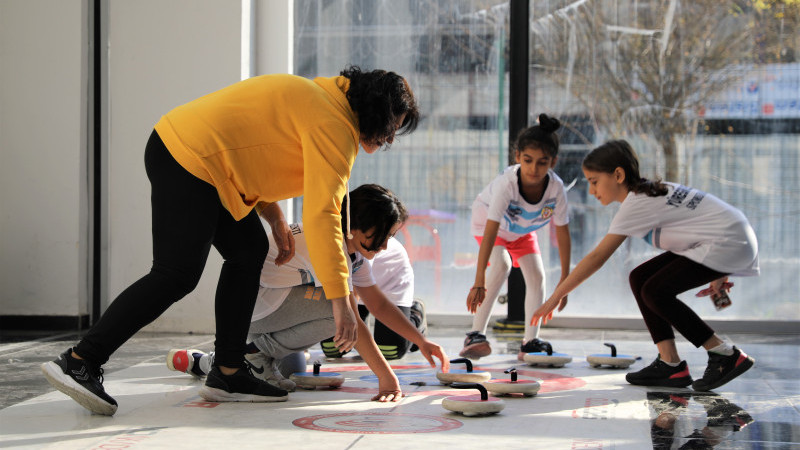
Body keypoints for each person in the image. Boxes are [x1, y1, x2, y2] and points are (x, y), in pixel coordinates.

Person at [40, 66, 420, 415]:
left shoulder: (321, 100)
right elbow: (324, 216)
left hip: (203, 162)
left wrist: (273, 216)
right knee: (176, 273)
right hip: (188, 158)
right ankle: (81, 359)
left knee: (248, 250)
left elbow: (250, 149)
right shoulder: (333, 125)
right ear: (376, 113)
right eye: (392, 127)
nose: (389, 139)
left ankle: (228, 370)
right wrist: (340, 301)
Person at [167, 184, 448, 401]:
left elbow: (378, 304)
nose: (386, 246)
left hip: (268, 309)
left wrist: (420, 341)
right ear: (355, 226)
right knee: (339, 315)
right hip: (254, 310)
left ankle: (212, 363)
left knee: (292, 366)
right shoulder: (331, 244)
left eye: (391, 237)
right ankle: (251, 355)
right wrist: (387, 379)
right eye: (382, 236)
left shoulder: (354, 249)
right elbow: (353, 321)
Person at [532, 139, 757, 391]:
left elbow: (597, 258)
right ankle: (670, 365)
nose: (592, 191)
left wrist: (556, 295)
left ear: (618, 174)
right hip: (728, 238)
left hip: (728, 242)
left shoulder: (637, 203)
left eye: (594, 181)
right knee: (641, 278)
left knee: (655, 290)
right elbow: (704, 221)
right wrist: (718, 273)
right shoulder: (648, 192)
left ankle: (724, 354)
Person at [461, 114, 572, 360]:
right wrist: (479, 279)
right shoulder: (507, 184)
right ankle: (475, 334)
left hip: (522, 230)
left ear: (553, 162)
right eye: (528, 160)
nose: (534, 169)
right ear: (517, 157)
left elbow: (563, 232)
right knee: (502, 265)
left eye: (542, 162)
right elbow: (491, 228)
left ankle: (531, 341)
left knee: (537, 275)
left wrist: (564, 282)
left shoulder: (556, 188)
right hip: (490, 225)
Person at [320, 236, 427, 361]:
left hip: (387, 284)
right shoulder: (333, 242)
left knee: (390, 350)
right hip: (360, 287)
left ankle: (415, 315)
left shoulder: (366, 247)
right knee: (332, 348)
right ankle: (364, 317)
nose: (384, 246)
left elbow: (377, 305)